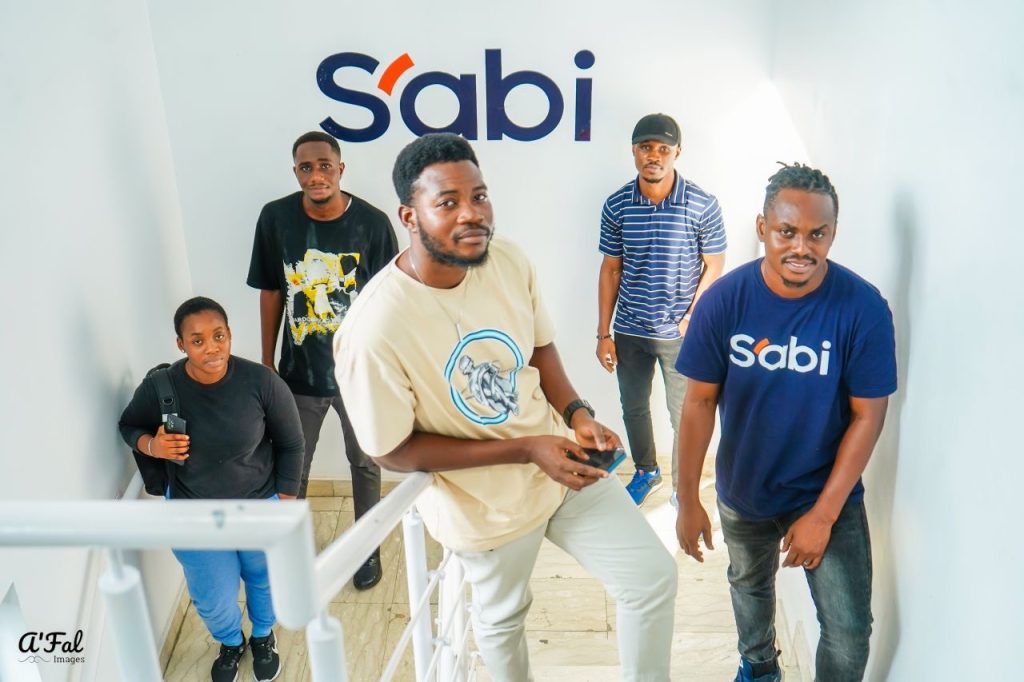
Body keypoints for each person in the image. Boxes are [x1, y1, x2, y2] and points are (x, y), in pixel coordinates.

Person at [334, 133, 678, 682]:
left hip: (562, 468)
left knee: (652, 577)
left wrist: (577, 414)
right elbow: (391, 450)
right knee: (503, 624)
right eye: (447, 202)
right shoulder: (374, 328)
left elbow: (539, 347)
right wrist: (526, 449)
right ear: (409, 216)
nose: (472, 214)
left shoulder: (508, 261)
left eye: (480, 196)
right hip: (484, 507)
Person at [674, 164, 897, 682]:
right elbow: (698, 404)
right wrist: (687, 499)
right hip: (745, 487)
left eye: (817, 234)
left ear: (833, 233)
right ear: (762, 228)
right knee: (749, 585)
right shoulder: (723, 302)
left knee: (848, 631)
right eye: (787, 231)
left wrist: (823, 514)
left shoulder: (862, 308)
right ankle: (759, 668)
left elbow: (868, 415)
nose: (802, 247)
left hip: (826, 492)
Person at [118, 296, 305, 682]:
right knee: (211, 594)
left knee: (265, 579)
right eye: (197, 340)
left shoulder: (261, 382)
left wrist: (284, 503)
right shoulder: (161, 388)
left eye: (218, 336)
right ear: (181, 344)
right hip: (193, 511)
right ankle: (230, 642)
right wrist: (153, 446)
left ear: (230, 335)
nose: (211, 348)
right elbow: (129, 425)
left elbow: (292, 443)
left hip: (259, 503)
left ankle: (263, 636)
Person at [247, 131, 398, 590]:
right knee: (293, 466)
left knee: (366, 462)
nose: (316, 175)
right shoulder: (275, 218)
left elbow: (390, 301)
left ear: (340, 169)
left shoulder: (372, 224)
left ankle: (367, 549)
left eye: (324, 166)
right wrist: (267, 360)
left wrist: (387, 367)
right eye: (306, 168)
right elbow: (271, 291)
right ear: (296, 172)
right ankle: (291, 552)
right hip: (299, 375)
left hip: (359, 374)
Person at [596, 112, 727, 506]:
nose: (654, 155)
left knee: (684, 413)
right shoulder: (617, 205)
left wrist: (692, 318)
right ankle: (647, 471)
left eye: (663, 149)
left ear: (677, 153)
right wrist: (603, 333)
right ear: (634, 151)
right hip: (630, 329)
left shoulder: (702, 204)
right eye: (645, 147)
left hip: (680, 334)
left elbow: (714, 265)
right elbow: (611, 269)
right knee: (634, 407)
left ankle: (682, 487)